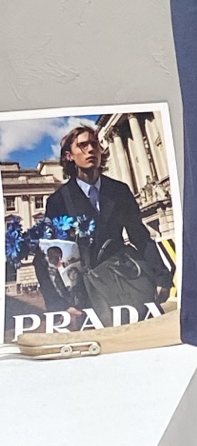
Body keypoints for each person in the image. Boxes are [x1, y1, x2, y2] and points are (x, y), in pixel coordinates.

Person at [44, 123, 172, 315]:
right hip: (87, 293)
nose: (91, 149)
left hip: (127, 278)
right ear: (69, 156)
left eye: (94, 144)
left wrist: (162, 277)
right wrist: (59, 306)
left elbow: (140, 236)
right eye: (83, 145)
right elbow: (48, 256)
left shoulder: (119, 190)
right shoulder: (58, 200)